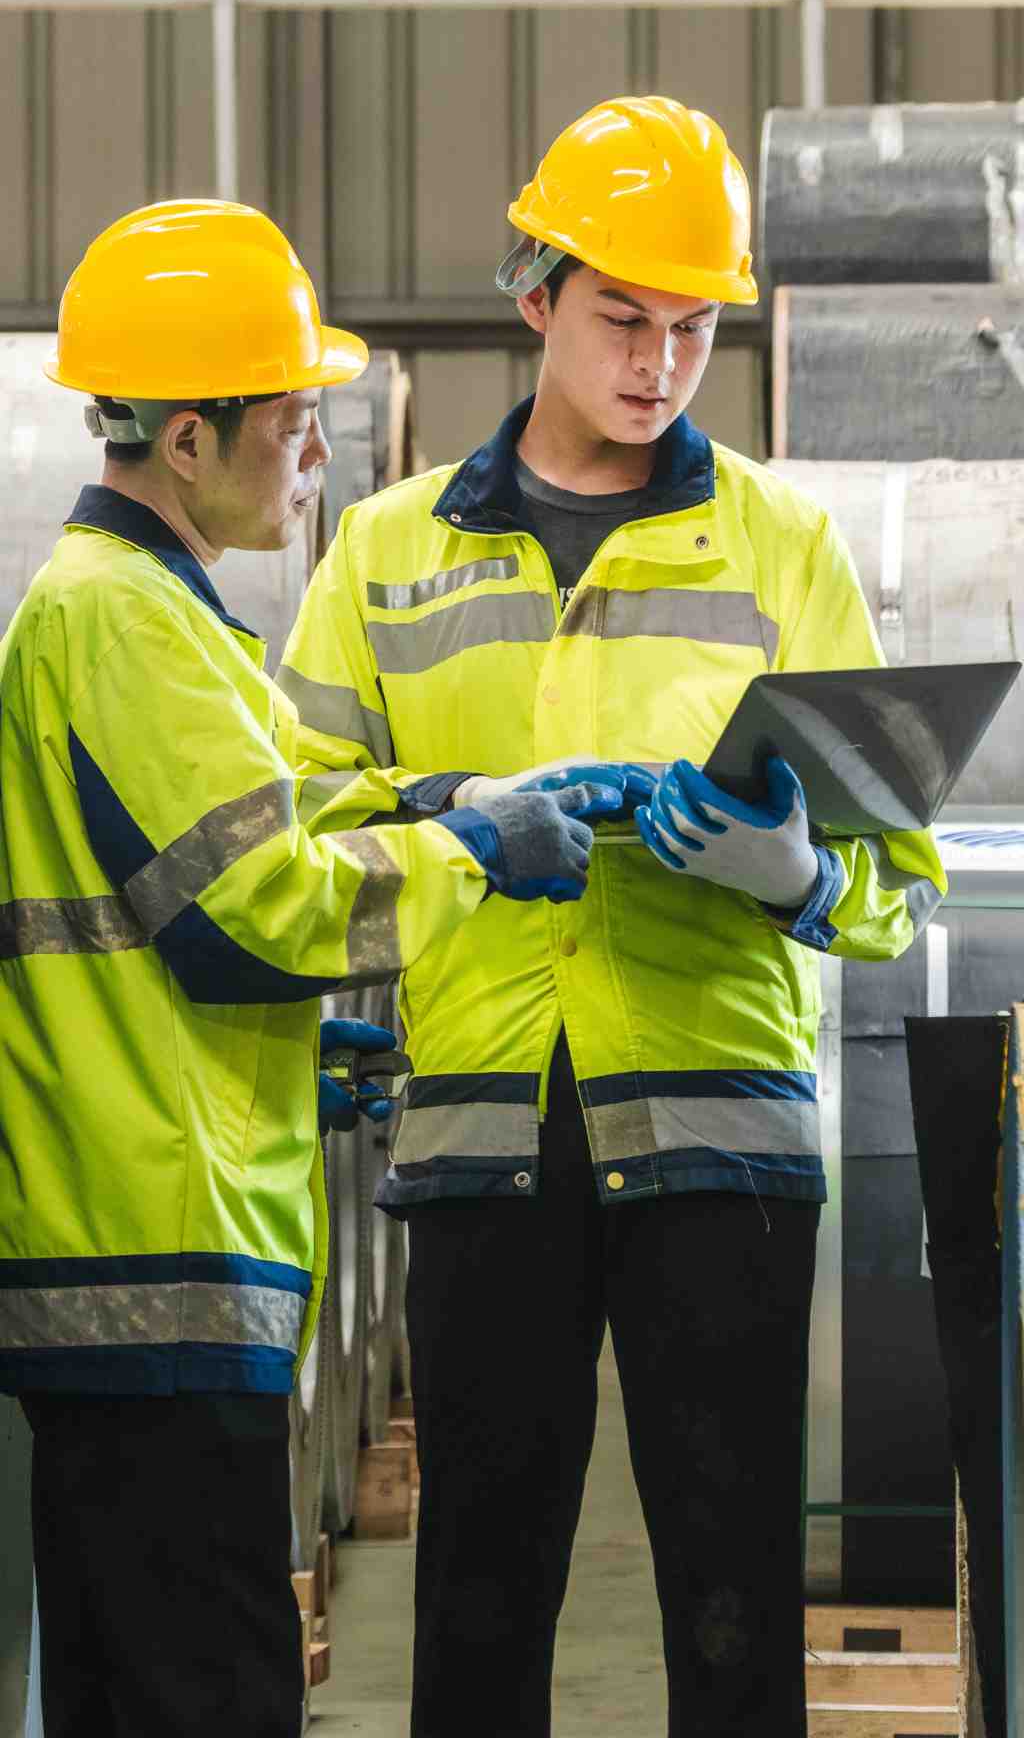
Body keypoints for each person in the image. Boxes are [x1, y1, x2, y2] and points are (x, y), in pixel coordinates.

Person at [279, 98, 947, 1738]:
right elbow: (298, 825)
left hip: (720, 1130)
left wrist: (789, 875)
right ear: (536, 298)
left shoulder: (784, 542)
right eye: (623, 318)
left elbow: (892, 875)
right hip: (481, 1120)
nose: (659, 361)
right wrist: (454, 820)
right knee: (481, 1595)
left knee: (731, 1600)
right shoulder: (381, 549)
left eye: (693, 325)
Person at [0, 197, 623, 1738]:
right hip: (154, 1255)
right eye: (295, 423)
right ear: (191, 438)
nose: (320, 457)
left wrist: (461, 797)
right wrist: (489, 857)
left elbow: (303, 797)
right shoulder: (122, 622)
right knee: (204, 1691)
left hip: (151, 1234)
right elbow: (253, 909)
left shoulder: (165, 618)